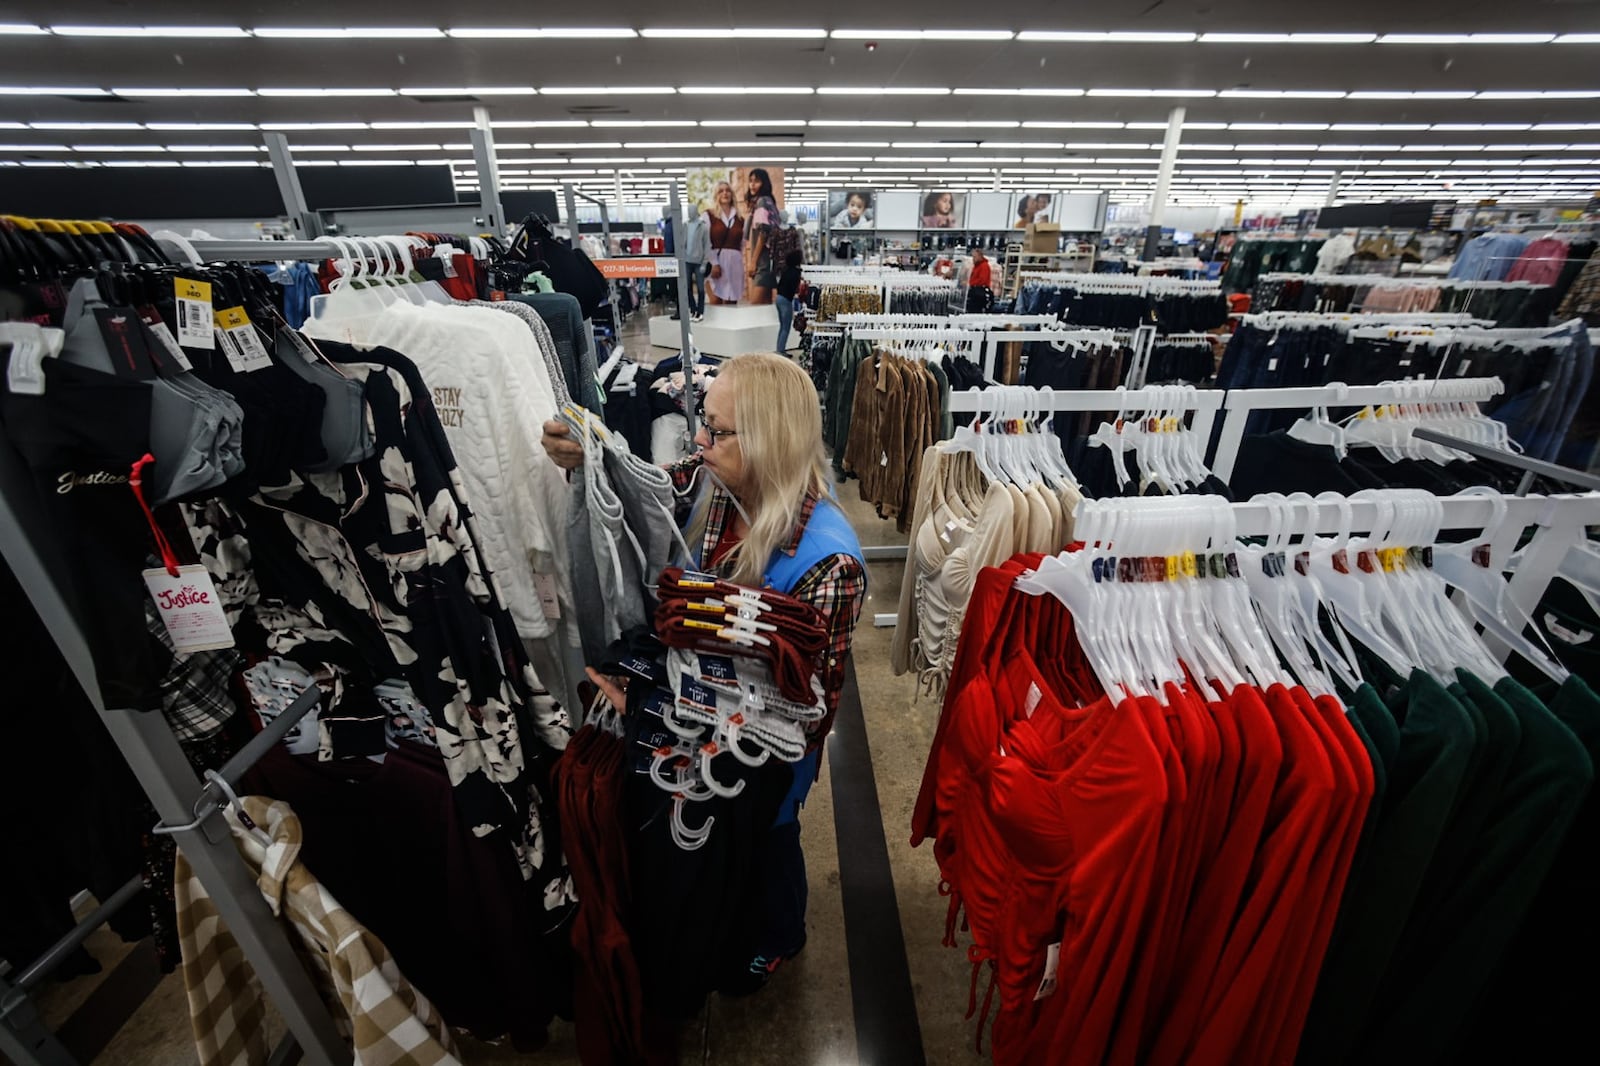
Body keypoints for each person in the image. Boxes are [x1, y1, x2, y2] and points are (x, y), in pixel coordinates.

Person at [541, 354, 866, 995]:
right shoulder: (715, 487)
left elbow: (808, 711)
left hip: (768, 749)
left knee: (770, 841)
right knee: (721, 849)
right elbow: (649, 481)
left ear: (768, 438)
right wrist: (590, 457)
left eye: (717, 431)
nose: (698, 441)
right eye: (703, 423)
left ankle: (778, 935)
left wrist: (660, 698)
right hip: (703, 726)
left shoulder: (831, 563)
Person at [705, 180, 744, 305]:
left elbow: (742, 243)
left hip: (735, 264)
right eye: (721, 191)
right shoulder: (708, 215)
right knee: (715, 301)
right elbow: (706, 242)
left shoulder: (740, 218)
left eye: (727, 191)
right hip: (716, 260)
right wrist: (714, 263)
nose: (725, 193)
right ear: (716, 195)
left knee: (732, 301)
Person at [743, 168, 779, 305]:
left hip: (763, 263)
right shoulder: (768, 202)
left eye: (756, 181)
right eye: (750, 181)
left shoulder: (762, 202)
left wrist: (753, 262)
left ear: (764, 184)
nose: (752, 184)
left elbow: (763, 233)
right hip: (767, 261)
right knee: (764, 309)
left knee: (755, 306)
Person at [682, 209, 710, 321]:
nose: (690, 213)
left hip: (699, 262)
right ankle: (693, 309)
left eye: (691, 210)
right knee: (687, 287)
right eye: (688, 210)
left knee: (700, 289)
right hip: (687, 261)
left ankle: (700, 311)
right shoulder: (686, 225)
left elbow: (707, 246)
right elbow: (682, 243)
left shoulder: (703, 227)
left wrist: (704, 263)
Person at [774, 249, 803, 353]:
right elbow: (795, 289)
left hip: (779, 298)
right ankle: (781, 351)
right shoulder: (796, 273)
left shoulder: (785, 271)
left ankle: (780, 349)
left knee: (782, 327)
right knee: (786, 327)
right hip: (786, 300)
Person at [966, 246, 993, 312]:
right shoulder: (977, 266)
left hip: (980, 293)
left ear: (980, 256)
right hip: (976, 292)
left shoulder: (984, 266)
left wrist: (969, 283)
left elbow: (982, 280)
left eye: (974, 257)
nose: (973, 259)